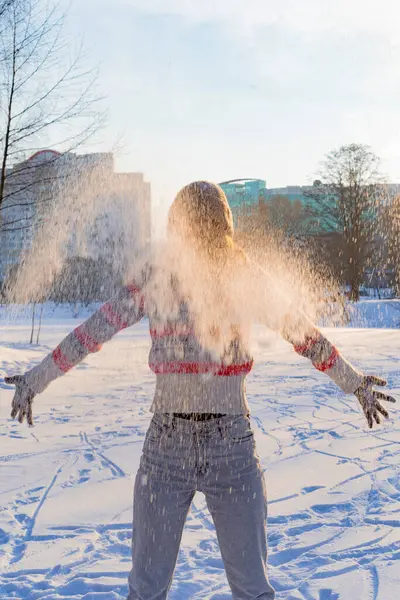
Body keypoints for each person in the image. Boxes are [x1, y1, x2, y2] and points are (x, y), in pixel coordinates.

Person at [6, 181, 396, 600]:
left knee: (251, 588)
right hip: (166, 451)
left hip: (232, 448)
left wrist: (353, 381)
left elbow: (302, 333)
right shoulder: (156, 277)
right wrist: (36, 377)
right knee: (147, 589)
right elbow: (92, 332)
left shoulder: (244, 277)